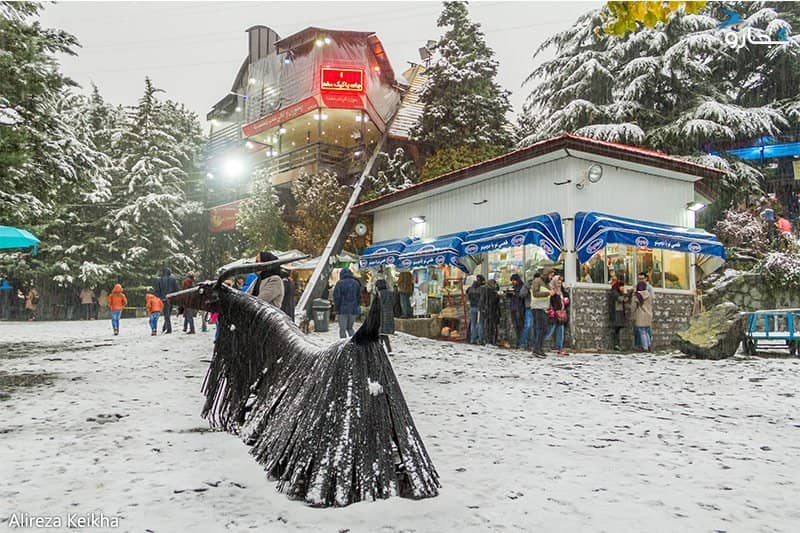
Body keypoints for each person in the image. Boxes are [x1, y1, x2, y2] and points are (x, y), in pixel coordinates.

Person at [333, 267, 361, 338]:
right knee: (350, 328)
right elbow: (359, 297)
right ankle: (353, 344)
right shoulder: (356, 283)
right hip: (353, 310)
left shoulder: (339, 283)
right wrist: (357, 307)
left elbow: (337, 297)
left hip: (342, 310)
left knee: (342, 329)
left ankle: (343, 345)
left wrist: (336, 309)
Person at [545, 276, 569, 356]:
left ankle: (559, 348)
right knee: (550, 330)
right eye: (558, 283)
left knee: (560, 331)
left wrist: (566, 301)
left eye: (560, 283)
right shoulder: (552, 291)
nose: (559, 284)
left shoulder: (562, 291)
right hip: (554, 314)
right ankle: (539, 344)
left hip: (561, 313)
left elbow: (566, 300)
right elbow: (550, 301)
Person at [530, 272, 550, 357]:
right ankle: (536, 349)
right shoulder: (537, 281)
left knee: (544, 329)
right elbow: (535, 293)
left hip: (544, 308)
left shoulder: (546, 283)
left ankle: (539, 348)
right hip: (537, 307)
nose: (551, 277)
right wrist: (548, 293)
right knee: (541, 329)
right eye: (551, 275)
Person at [155, 267, 180, 334]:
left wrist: (159, 298)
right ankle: (165, 328)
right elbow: (177, 289)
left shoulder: (159, 280)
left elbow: (157, 290)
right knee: (168, 314)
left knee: (166, 314)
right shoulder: (173, 280)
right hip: (171, 298)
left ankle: (168, 329)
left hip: (163, 299)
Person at [509, 273, 531, 349]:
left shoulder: (522, 287)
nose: (513, 282)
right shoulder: (516, 287)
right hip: (514, 308)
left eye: (514, 280)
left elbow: (522, 296)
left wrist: (515, 294)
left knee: (521, 326)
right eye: (512, 280)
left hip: (520, 308)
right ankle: (519, 341)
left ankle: (521, 342)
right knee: (517, 326)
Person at [374, 279, 395, 354]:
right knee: (383, 333)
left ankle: (380, 349)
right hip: (389, 314)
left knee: (380, 332)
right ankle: (388, 349)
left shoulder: (380, 294)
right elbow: (393, 303)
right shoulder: (390, 293)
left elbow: (377, 305)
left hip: (381, 315)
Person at [633, 280, 653, 351]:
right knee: (647, 331)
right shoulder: (648, 294)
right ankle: (649, 345)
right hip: (649, 314)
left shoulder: (637, 295)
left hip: (641, 315)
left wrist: (632, 313)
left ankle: (645, 347)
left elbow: (634, 306)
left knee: (642, 332)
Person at [607, 279, 627, 351]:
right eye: (621, 286)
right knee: (616, 329)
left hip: (619, 312)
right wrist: (625, 293)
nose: (622, 288)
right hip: (616, 312)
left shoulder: (617, 292)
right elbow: (621, 299)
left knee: (617, 329)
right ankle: (616, 344)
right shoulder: (614, 293)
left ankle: (617, 344)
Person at [480, 278, 501, 346]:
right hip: (491, 311)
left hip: (487, 311)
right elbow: (493, 300)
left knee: (488, 326)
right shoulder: (490, 291)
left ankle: (488, 340)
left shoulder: (484, 289)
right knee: (491, 327)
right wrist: (497, 295)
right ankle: (491, 341)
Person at [466, 275, 485, 344]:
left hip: (472, 306)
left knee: (473, 323)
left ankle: (472, 339)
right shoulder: (482, 289)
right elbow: (483, 298)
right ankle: (480, 339)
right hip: (479, 307)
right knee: (480, 323)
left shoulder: (470, 288)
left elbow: (467, 295)